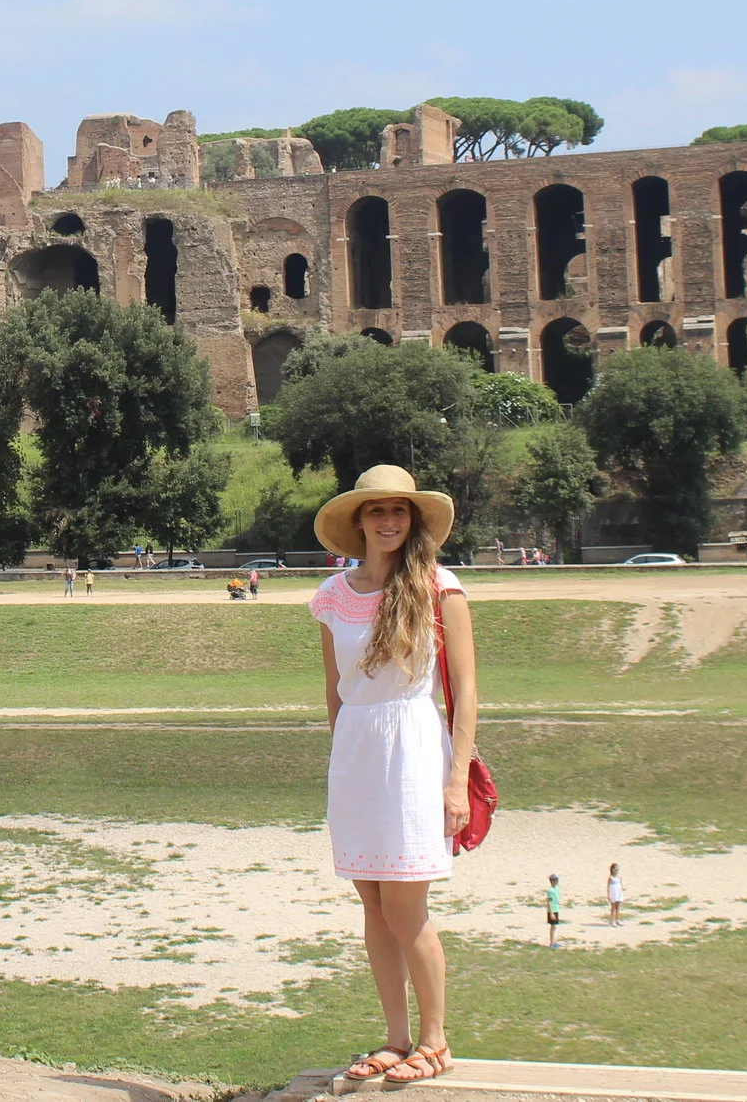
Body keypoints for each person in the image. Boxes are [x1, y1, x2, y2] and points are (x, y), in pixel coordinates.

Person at [307, 466, 478, 1091]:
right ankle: (396, 1038)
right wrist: (343, 763)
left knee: (406, 905)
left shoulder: (438, 586)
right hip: (356, 753)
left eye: (398, 511)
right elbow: (335, 695)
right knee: (374, 908)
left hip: (413, 748)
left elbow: (465, 693)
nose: (387, 521)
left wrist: (456, 780)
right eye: (375, 511)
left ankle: (435, 1040)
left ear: (412, 520)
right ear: (359, 521)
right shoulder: (331, 596)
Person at [544, 874, 562, 947]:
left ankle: (554, 941)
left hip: (556, 909)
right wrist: (551, 913)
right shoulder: (550, 891)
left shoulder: (556, 888)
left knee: (554, 927)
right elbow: (549, 902)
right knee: (553, 927)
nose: (557, 881)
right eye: (555, 880)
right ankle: (552, 942)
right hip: (552, 911)